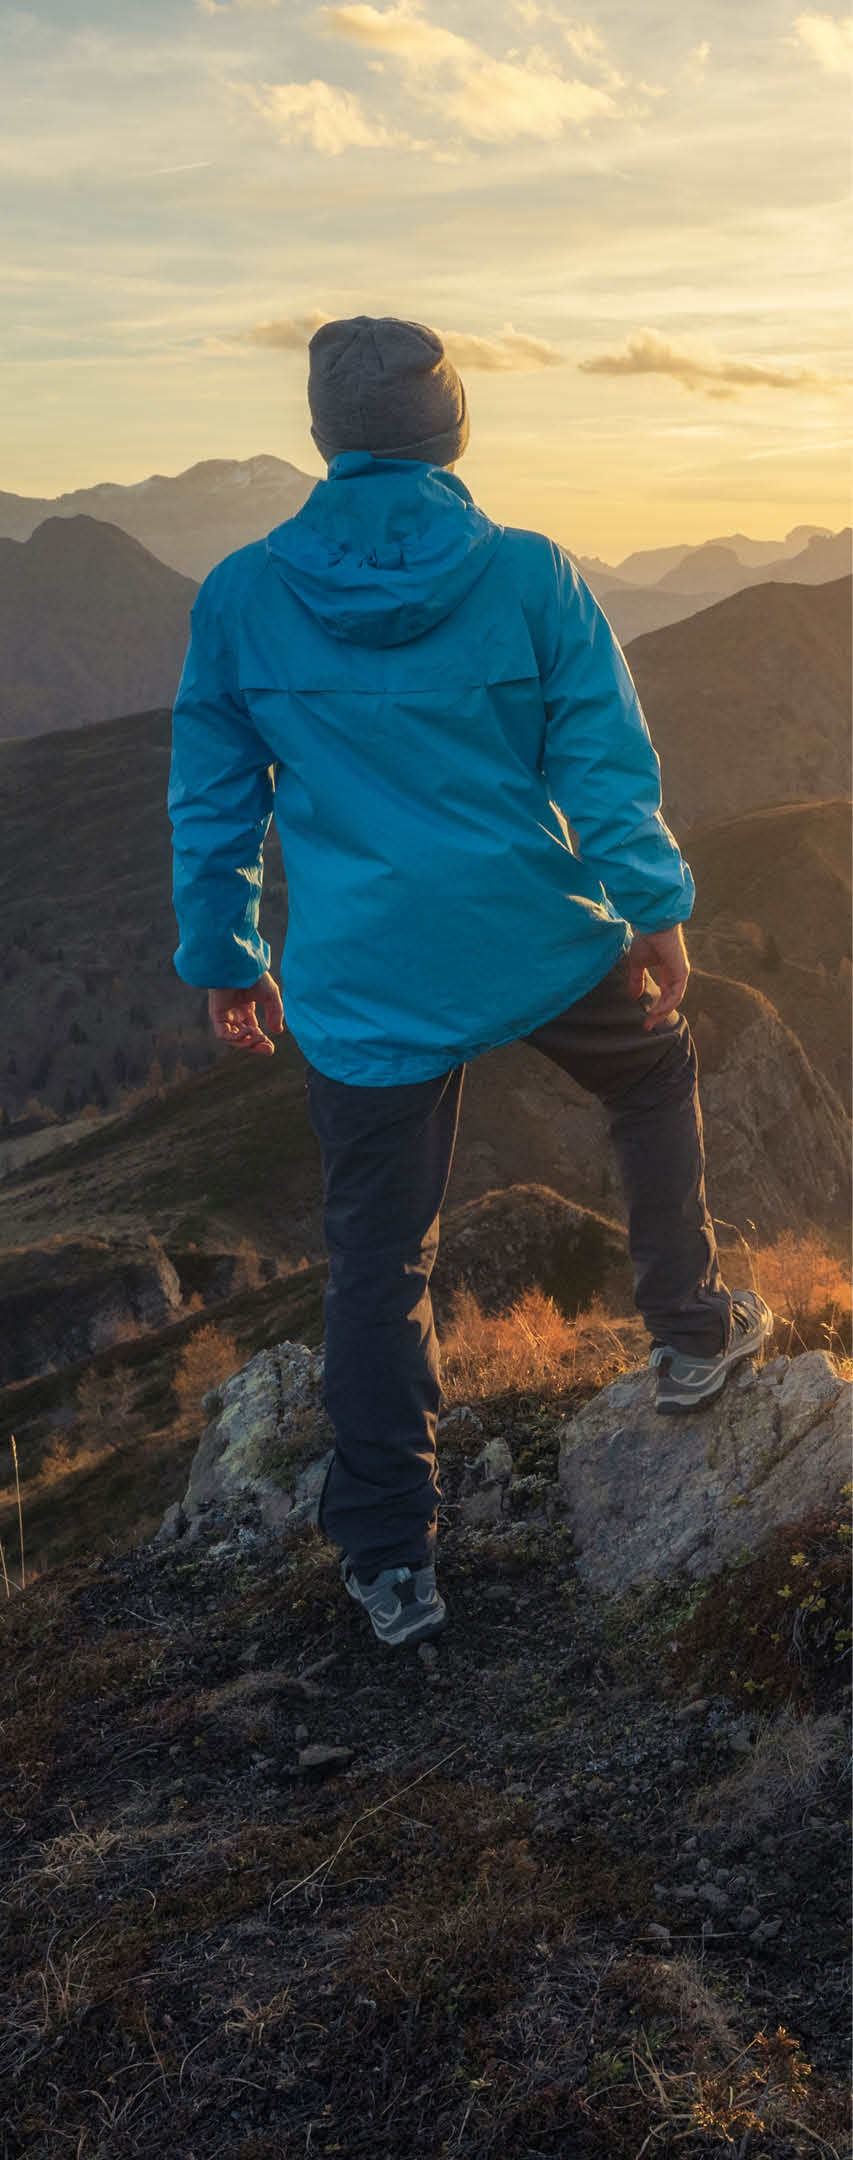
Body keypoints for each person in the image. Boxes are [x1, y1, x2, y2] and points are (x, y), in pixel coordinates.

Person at [168, 313, 772, 1648]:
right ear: (451, 434)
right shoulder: (529, 574)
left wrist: (224, 957)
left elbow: (212, 803)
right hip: (537, 935)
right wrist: (653, 906)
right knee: (653, 1068)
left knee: (378, 1257)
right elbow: (601, 766)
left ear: (325, 437)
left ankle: (390, 1559)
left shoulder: (244, 594)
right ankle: (685, 1333)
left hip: (365, 977)